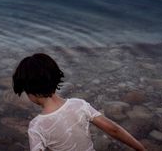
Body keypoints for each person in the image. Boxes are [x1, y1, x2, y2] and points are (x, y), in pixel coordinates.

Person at [13, 53, 146, 151]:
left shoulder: (37, 126)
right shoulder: (79, 105)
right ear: (55, 78)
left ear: (29, 91)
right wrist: (142, 149)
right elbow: (114, 130)